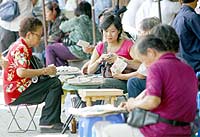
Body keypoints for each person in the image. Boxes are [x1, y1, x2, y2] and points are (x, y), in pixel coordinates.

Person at [101, 35, 198, 137]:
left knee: (106, 130)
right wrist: (133, 102)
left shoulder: (156, 67)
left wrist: (133, 104)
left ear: (151, 52)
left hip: (162, 131)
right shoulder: (187, 68)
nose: (145, 65)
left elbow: (153, 101)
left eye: (144, 61)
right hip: (185, 131)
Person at [3, 17, 64, 133]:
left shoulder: (20, 45)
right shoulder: (21, 48)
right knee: (54, 84)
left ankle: (50, 120)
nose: (40, 39)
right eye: (39, 35)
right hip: (17, 92)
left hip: (18, 89)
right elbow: (21, 72)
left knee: (53, 82)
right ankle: (48, 122)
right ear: (29, 34)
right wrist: (45, 71)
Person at [87, 14, 141, 92]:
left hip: (124, 81)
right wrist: (99, 60)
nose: (109, 35)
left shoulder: (128, 45)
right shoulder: (101, 46)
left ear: (119, 31)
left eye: (112, 31)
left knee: (101, 83)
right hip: (106, 80)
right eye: (106, 31)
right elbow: (90, 71)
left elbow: (140, 65)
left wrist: (118, 60)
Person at [127, 23, 180, 98]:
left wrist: (134, 104)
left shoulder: (159, 66)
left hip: (168, 105)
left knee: (133, 82)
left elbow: (153, 99)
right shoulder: (184, 65)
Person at [45, 1, 101, 67]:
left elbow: (62, 27)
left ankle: (50, 73)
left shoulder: (78, 20)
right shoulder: (94, 24)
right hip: (91, 52)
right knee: (57, 51)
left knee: (50, 48)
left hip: (77, 51)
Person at [172, 0, 200, 73]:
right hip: (195, 65)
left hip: (182, 63)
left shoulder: (177, 17)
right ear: (196, 1)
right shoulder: (192, 17)